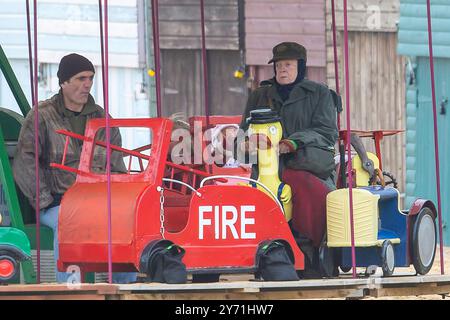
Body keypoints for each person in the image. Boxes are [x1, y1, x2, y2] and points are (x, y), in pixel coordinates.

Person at [13, 53, 136, 284]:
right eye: (80, 78)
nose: (87, 83)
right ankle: (70, 291)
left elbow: (117, 167)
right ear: (64, 82)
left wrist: (119, 203)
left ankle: (124, 289)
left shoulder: (103, 118)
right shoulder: (42, 116)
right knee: (69, 222)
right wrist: (44, 200)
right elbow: (24, 162)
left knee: (124, 223)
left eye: (90, 77)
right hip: (56, 203)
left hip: (97, 203)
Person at [239, 42, 339, 277]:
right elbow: (243, 133)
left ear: (301, 67)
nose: (282, 70)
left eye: (288, 65)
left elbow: (327, 132)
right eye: (278, 65)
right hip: (264, 170)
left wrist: (293, 142)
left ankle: (311, 254)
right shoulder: (259, 95)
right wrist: (245, 143)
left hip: (307, 165)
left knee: (311, 194)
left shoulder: (320, 94)